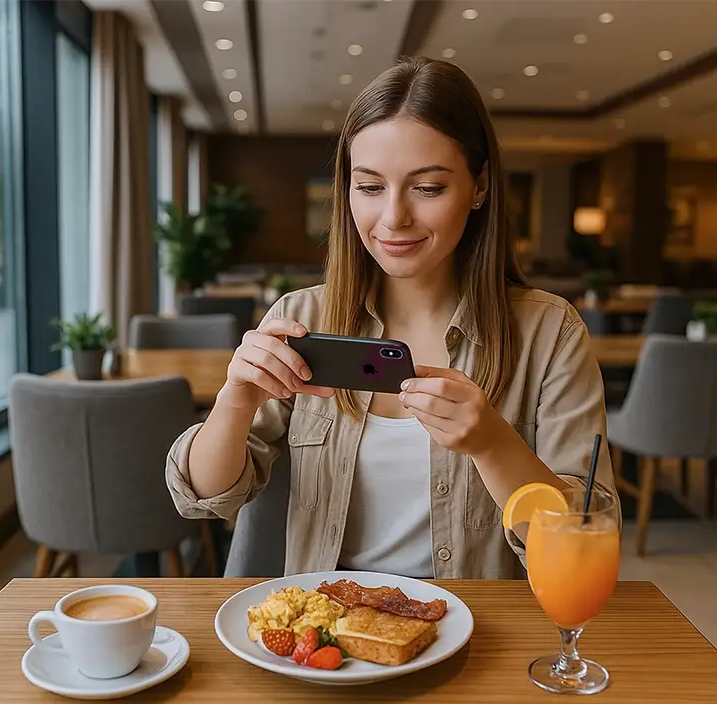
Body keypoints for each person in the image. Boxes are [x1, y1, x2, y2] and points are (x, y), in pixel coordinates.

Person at [165, 57, 617, 580]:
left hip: (481, 632)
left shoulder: (550, 333)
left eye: (428, 188)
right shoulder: (301, 317)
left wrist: (493, 443)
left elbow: (584, 543)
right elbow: (204, 499)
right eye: (370, 187)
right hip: (330, 636)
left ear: (480, 187)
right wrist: (235, 401)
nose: (393, 217)